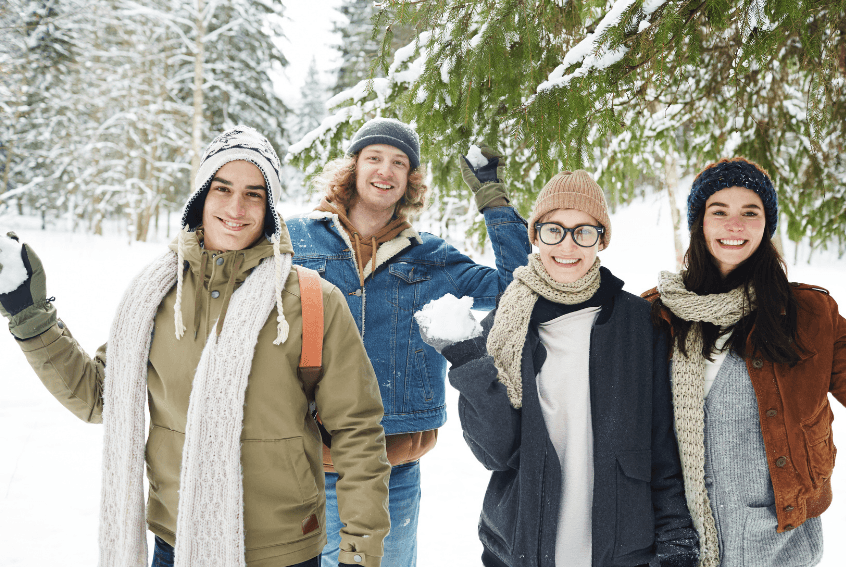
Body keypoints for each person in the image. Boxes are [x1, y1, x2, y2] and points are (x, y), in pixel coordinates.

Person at [0, 126, 391, 567]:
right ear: (201, 196)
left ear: (270, 208)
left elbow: (357, 431)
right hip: (176, 543)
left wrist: (360, 551)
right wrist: (31, 317)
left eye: (254, 194)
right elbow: (99, 398)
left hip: (282, 550)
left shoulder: (311, 301)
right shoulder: (154, 299)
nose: (236, 208)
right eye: (222, 188)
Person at [419, 170, 699, 567]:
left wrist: (676, 536)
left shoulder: (639, 323)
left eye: (583, 231)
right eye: (554, 230)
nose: (568, 245)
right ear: (535, 236)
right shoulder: (505, 324)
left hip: (621, 552)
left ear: (602, 239)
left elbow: (661, 445)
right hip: (524, 547)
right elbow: (496, 453)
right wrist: (468, 362)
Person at [285, 117, 531, 567]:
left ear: (410, 180)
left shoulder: (430, 256)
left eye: (399, 162)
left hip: (392, 466)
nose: (386, 170)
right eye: (374, 158)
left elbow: (516, 287)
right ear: (353, 168)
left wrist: (493, 201)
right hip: (308, 460)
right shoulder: (295, 239)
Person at [643, 157, 846, 567]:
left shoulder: (810, 314)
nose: (735, 225)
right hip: (678, 549)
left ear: (766, 226)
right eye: (719, 212)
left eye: (750, 212)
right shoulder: (657, 315)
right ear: (699, 224)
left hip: (782, 549)